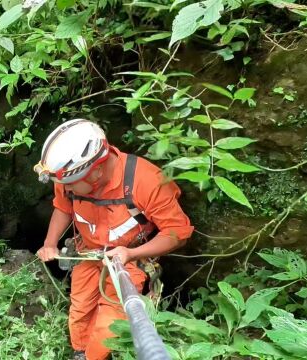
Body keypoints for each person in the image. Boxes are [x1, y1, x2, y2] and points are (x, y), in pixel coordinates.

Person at [34, 119, 193, 360]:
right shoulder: (69, 178)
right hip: (88, 252)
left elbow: (176, 233)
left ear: (96, 171)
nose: (66, 189)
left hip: (129, 260)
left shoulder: (147, 181)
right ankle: (79, 352)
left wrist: (130, 254)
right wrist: (50, 243)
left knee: (111, 318)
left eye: (70, 185)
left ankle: (94, 357)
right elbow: (63, 207)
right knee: (80, 307)